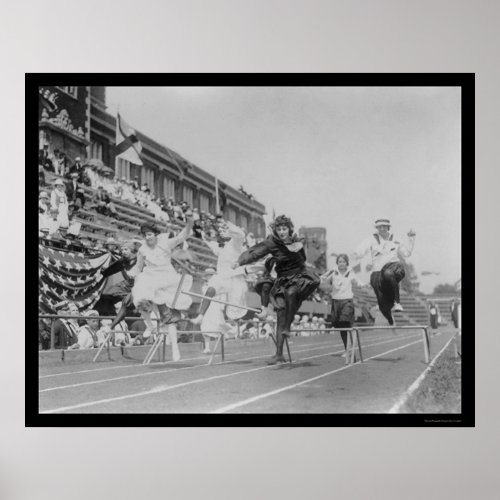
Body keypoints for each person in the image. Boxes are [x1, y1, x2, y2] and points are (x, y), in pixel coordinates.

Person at [237, 214, 320, 364]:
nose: (282, 232)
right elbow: (256, 251)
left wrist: (295, 247)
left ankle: (288, 325)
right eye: (279, 229)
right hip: (282, 280)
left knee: (292, 292)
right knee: (281, 314)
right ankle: (279, 354)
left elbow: (301, 255)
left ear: (289, 229)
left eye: (284, 229)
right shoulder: (272, 242)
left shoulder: (297, 240)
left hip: (299, 277)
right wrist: (240, 262)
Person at [127, 217, 194, 361]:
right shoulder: (142, 249)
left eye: (150, 234)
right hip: (150, 278)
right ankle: (150, 326)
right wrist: (132, 274)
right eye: (145, 235)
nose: (147, 238)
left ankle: (175, 349)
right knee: (139, 299)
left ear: (155, 234)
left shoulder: (165, 243)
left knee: (169, 318)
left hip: (166, 280)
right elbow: (138, 267)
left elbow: (183, 236)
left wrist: (189, 224)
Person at [191, 220, 249, 354]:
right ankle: (201, 316)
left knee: (234, 312)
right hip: (222, 278)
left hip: (235, 280)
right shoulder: (222, 248)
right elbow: (212, 246)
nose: (222, 233)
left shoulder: (236, 243)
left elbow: (240, 234)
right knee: (210, 289)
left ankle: (230, 329)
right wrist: (204, 236)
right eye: (221, 231)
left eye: (224, 231)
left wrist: (227, 224)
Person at [352, 218, 416, 326]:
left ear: (388, 227)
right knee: (382, 303)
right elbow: (361, 249)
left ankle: (397, 302)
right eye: (380, 226)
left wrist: (411, 238)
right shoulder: (372, 239)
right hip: (377, 272)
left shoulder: (396, 239)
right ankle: (389, 318)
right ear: (376, 228)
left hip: (395, 267)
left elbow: (407, 253)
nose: (382, 229)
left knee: (388, 273)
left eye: (384, 226)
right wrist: (355, 254)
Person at [321, 254, 365, 356]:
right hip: (336, 301)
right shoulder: (333, 273)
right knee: (341, 327)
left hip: (347, 301)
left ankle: (352, 349)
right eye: (339, 262)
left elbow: (358, 281)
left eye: (343, 262)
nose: (341, 263)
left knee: (345, 323)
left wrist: (362, 284)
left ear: (347, 263)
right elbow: (323, 280)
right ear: (337, 263)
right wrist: (329, 273)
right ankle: (347, 350)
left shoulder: (351, 273)